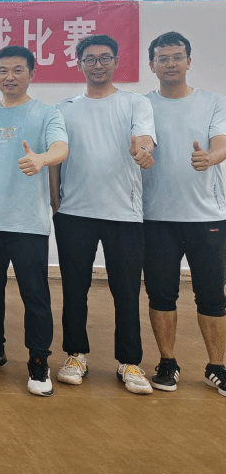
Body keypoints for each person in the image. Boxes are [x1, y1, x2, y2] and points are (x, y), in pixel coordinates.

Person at [49, 35, 156, 395]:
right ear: (79, 63)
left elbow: (145, 137)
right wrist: (54, 200)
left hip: (124, 213)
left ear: (116, 62)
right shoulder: (64, 109)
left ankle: (130, 362)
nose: (98, 64)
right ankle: (75, 355)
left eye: (105, 58)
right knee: (74, 289)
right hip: (74, 213)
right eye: (90, 59)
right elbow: (56, 158)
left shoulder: (135, 103)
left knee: (126, 291)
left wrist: (143, 150)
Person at [0, 45, 68, 397]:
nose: (10, 76)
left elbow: (61, 148)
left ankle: (39, 361)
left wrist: (42, 160)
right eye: (3, 70)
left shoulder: (47, 114)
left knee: (35, 295)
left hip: (28, 224)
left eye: (18, 70)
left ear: (32, 74)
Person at [141, 31, 226, 397]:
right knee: (161, 294)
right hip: (156, 218)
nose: (170, 63)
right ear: (152, 65)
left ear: (189, 61)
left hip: (207, 216)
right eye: (163, 58)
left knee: (212, 296)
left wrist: (210, 157)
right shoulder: (143, 105)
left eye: (177, 56)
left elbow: (221, 143)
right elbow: (142, 140)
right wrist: (141, 150)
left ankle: (217, 366)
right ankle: (167, 362)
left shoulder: (214, 102)